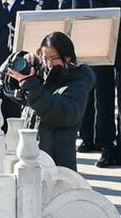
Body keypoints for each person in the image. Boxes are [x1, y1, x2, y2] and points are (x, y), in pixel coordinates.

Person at [8, 31, 97, 170]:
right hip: (31, 154)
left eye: (54, 58)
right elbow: (4, 82)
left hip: (59, 160)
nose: (49, 63)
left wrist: (30, 84)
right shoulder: (38, 75)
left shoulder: (78, 83)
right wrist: (22, 58)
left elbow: (60, 114)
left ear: (68, 57)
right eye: (45, 58)